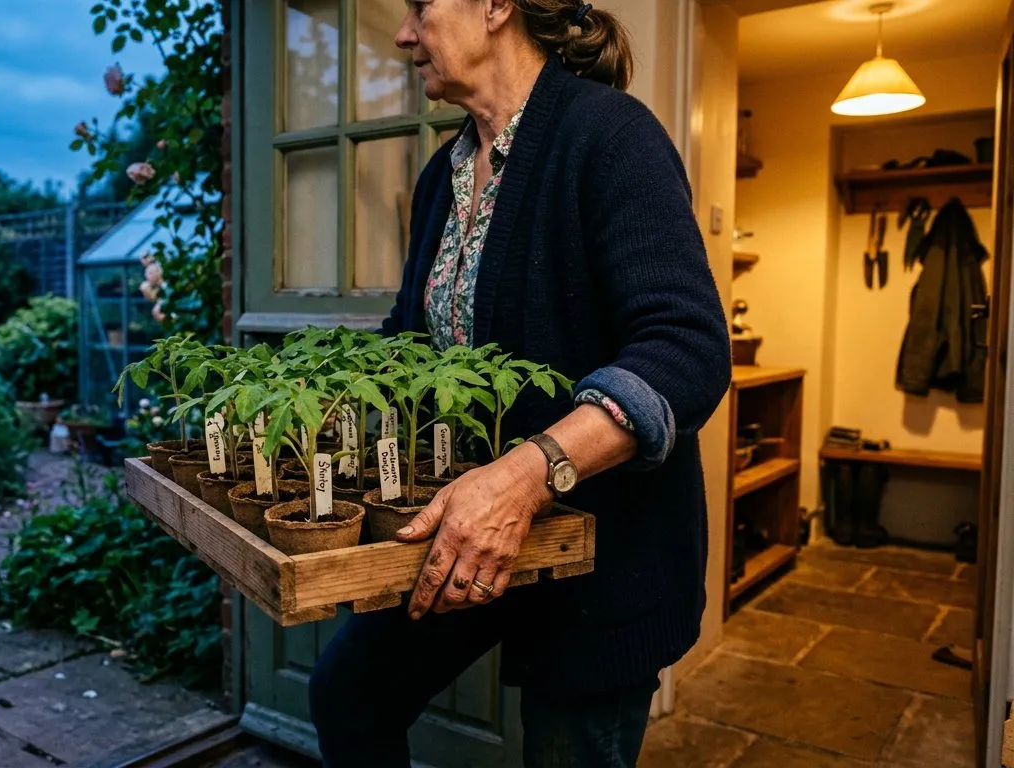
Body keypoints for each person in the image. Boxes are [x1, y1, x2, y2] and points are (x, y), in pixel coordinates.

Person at [306, 0, 733, 766]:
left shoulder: (610, 136)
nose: (404, 35)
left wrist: (526, 475)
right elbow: (412, 340)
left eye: (419, 8)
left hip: (606, 551)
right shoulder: (446, 172)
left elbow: (687, 348)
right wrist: (326, 411)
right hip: (468, 527)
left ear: (497, 6)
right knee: (349, 693)